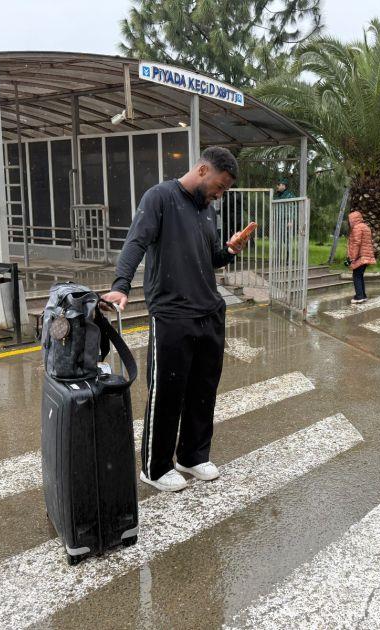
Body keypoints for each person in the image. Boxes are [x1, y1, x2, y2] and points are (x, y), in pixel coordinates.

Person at [101, 147, 251, 493]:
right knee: (167, 393)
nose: (219, 195)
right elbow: (136, 241)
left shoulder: (206, 210)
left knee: (203, 390)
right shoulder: (160, 197)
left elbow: (210, 259)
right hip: (172, 314)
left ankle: (192, 455)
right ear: (203, 170)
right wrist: (120, 285)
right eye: (220, 186)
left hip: (208, 312)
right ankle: (155, 468)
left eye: (225, 190)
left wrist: (229, 250)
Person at [346, 211, 376, 304]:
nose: (349, 222)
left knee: (356, 276)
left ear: (353, 219)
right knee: (359, 275)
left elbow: (357, 243)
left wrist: (352, 257)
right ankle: (363, 295)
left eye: (350, 220)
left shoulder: (357, 228)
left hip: (360, 256)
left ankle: (359, 296)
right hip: (366, 255)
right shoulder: (365, 227)